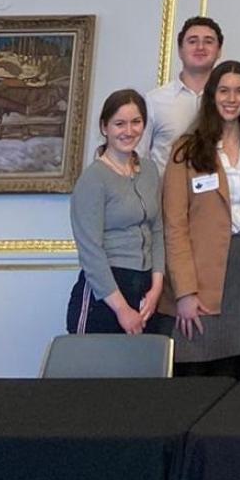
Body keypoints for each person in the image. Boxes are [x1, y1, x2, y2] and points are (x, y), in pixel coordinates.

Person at [158, 60, 240, 378]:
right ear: (211, 96)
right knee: (194, 375)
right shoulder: (186, 151)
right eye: (224, 90)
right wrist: (185, 293)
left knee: (237, 377)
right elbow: (173, 226)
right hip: (199, 277)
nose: (232, 99)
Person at [67, 89, 165, 336]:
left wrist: (157, 286)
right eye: (119, 124)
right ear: (104, 127)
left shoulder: (150, 171)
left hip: (145, 289)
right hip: (106, 294)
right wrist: (121, 309)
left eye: (136, 122)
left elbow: (157, 229)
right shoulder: (93, 179)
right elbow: (91, 251)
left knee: (139, 372)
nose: (128, 131)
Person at [142, 16, 223, 170]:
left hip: (216, 192)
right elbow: (139, 157)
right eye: (192, 41)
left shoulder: (230, 103)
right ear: (180, 50)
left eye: (208, 41)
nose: (200, 47)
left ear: (219, 51)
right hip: (164, 192)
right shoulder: (154, 101)